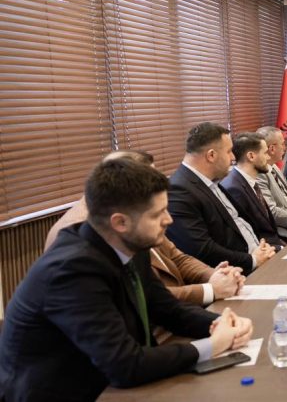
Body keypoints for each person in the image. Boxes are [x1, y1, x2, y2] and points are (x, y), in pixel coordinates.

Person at [0, 159, 253, 401]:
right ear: (120, 222)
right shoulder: (72, 270)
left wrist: (219, 323)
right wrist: (212, 345)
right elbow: (124, 365)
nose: (169, 220)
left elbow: (168, 310)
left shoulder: (130, 244)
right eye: (157, 214)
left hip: (112, 386)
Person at [45, 150, 244, 306]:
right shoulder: (87, 234)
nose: (168, 219)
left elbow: (176, 257)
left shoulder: (137, 214)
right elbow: (142, 299)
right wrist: (210, 290)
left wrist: (214, 276)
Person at [166, 123, 275, 275]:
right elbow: (201, 249)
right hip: (235, 273)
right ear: (211, 155)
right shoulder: (179, 190)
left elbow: (239, 223)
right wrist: (252, 260)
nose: (233, 157)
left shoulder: (212, 181)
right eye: (229, 151)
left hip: (259, 257)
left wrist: (260, 248)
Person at [221, 132, 286, 247]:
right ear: (251, 156)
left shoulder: (250, 181)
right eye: (265, 153)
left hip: (276, 243)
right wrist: (279, 248)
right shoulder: (234, 189)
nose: (268, 157)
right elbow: (252, 234)